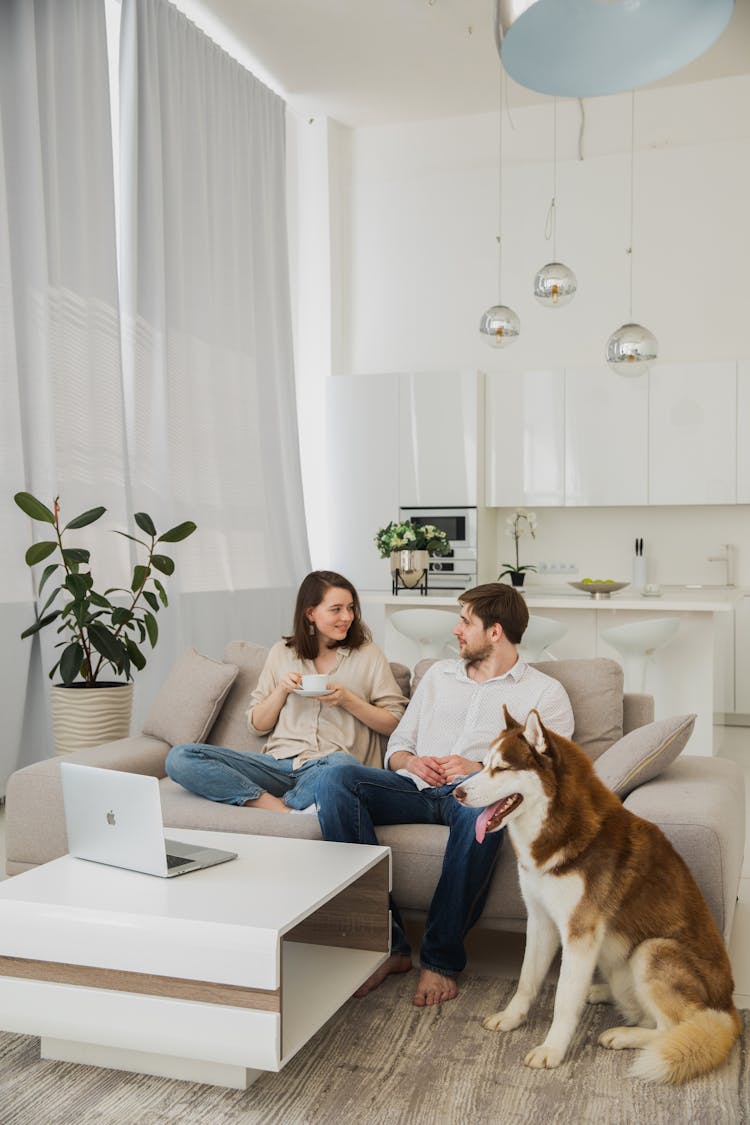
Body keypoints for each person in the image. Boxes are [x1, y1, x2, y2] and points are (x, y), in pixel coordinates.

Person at [315, 582, 575, 1007]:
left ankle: (439, 959)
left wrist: (480, 770)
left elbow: (551, 775)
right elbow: (397, 746)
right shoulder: (438, 675)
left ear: (495, 632)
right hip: (415, 788)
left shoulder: (544, 693)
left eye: (465, 621)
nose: (455, 630)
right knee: (334, 780)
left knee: (485, 813)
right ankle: (388, 946)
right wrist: (410, 762)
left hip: (475, 795)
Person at [166, 571, 407, 812]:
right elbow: (257, 725)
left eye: (351, 608)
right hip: (278, 765)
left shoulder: (368, 654)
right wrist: (282, 690)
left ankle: (290, 804)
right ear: (310, 613)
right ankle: (281, 808)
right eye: (336, 609)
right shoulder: (282, 652)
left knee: (343, 767)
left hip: (332, 765)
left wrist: (347, 699)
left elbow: (394, 723)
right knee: (180, 757)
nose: (347, 617)